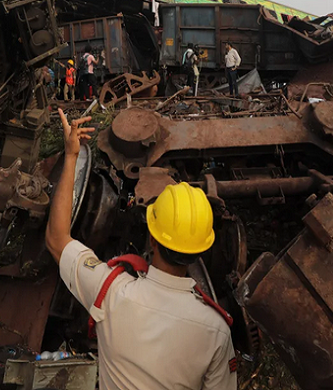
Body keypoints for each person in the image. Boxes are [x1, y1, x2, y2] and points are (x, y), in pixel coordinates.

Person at [46, 111, 237, 390]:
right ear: (200, 251)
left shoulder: (110, 291)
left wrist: (72, 155)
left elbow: (56, 238)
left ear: (153, 239)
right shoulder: (217, 331)